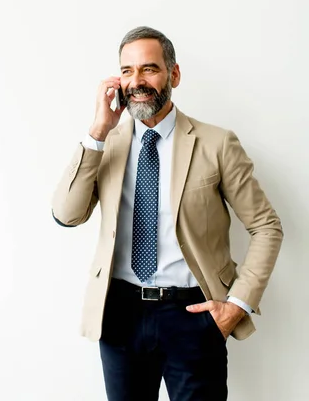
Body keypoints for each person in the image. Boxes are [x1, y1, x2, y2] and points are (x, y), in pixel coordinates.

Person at [52, 26, 283, 401]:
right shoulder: (105, 143)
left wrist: (235, 306)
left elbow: (266, 226)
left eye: (149, 69)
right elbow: (66, 215)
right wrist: (97, 131)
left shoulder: (216, 143)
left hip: (192, 314)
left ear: (173, 74)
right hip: (120, 313)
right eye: (127, 71)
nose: (137, 81)